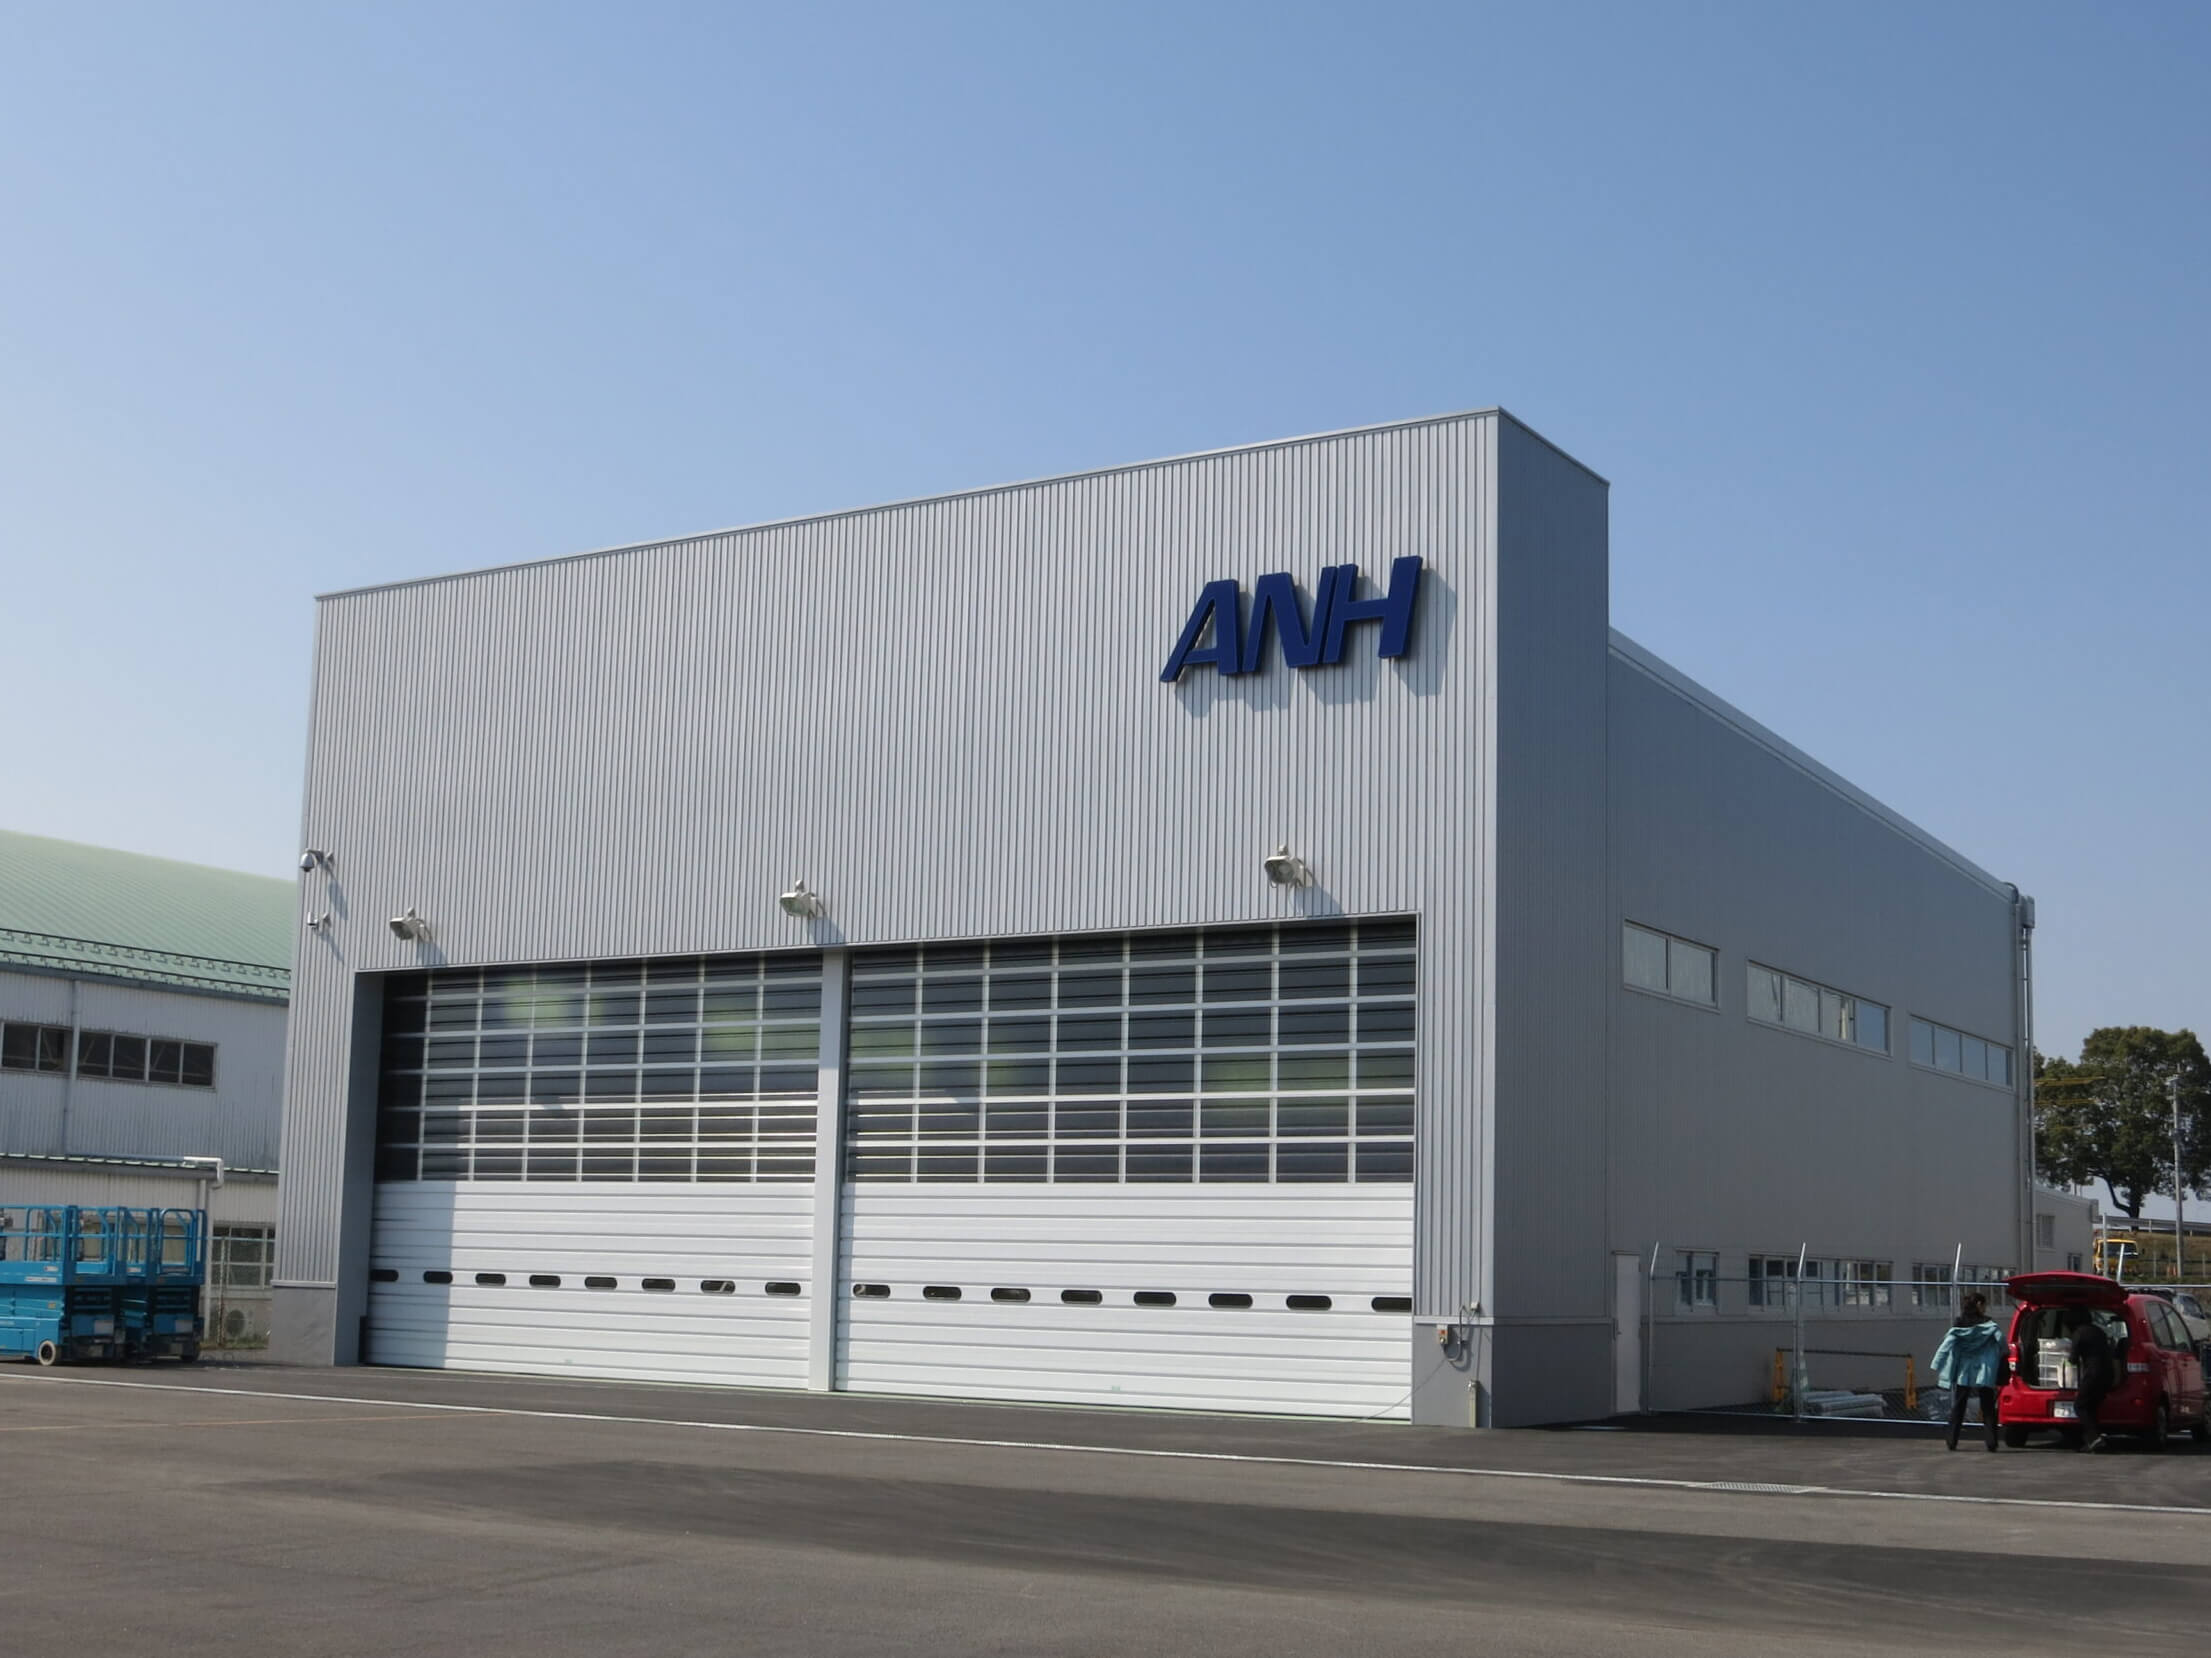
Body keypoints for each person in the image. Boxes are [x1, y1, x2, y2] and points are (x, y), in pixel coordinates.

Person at [1931, 1291, 2006, 1451]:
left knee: (1959, 1404)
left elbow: (1946, 1345)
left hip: (1963, 1370)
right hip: (1984, 1370)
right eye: (1985, 1305)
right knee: (1987, 1406)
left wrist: (1937, 1363)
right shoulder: (1989, 1325)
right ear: (1979, 1304)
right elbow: (2002, 1342)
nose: (1986, 1308)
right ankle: (1991, 1442)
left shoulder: (1959, 1324)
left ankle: (1952, 1441)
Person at [2069, 1310, 2115, 1452]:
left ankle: (2095, 1439)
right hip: (2108, 1373)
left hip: (2093, 1374)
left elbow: (2073, 1359)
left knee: (2080, 1406)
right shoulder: (2099, 1331)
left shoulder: (2079, 1333)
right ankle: (2092, 1440)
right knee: (2091, 1406)